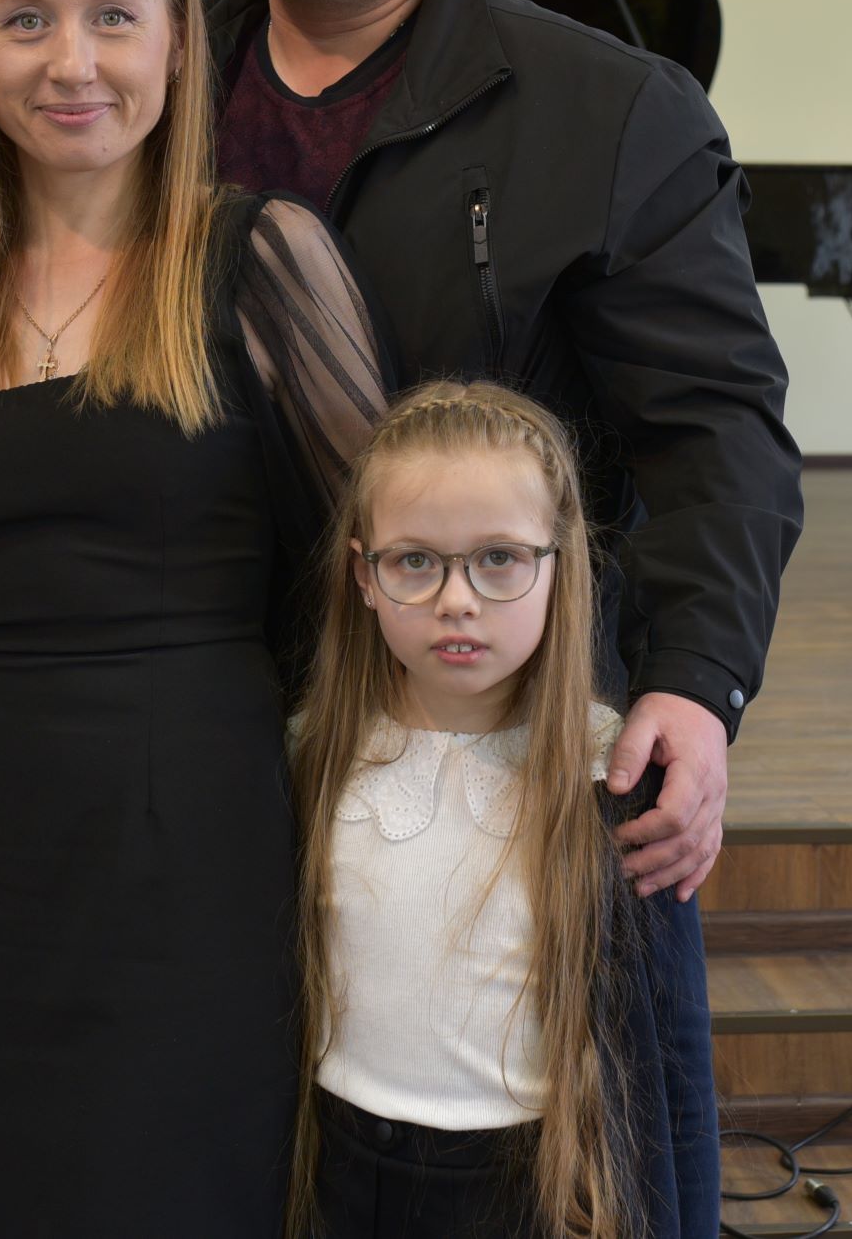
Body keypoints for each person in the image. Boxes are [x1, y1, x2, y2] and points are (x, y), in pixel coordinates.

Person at [0, 0, 386, 1236]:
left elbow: (372, 569)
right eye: (25, 19)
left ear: (178, 43)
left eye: (114, 16)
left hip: (198, 847)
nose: (71, 62)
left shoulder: (261, 259)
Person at [207, 0, 802, 908]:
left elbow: (716, 433)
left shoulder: (615, 115)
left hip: (507, 737)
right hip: (215, 718)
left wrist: (698, 680)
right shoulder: (152, 89)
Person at [292, 381, 716, 1239]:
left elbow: (673, 1061)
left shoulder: (613, 779)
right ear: (364, 576)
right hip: (343, 1181)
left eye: (498, 558)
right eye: (415, 561)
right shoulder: (310, 757)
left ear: (559, 566)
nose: (457, 599)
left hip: (534, 1190)